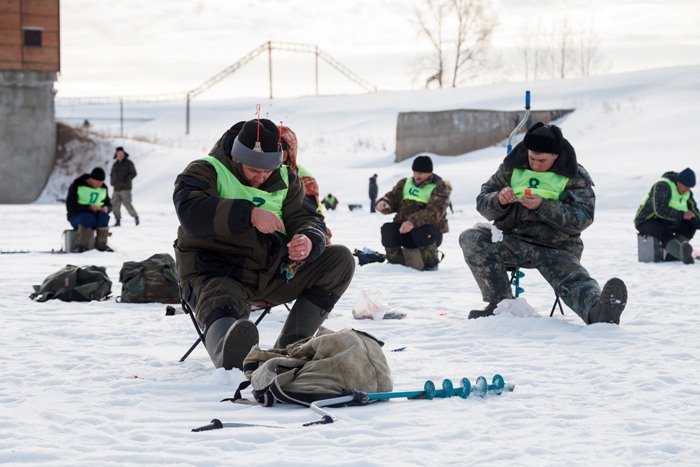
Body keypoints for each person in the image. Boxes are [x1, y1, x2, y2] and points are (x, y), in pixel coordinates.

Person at [173, 118, 355, 371]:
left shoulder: (288, 179)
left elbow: (309, 218)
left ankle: (291, 348)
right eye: (253, 170)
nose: (260, 177)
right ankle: (229, 351)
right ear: (237, 158)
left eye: (267, 171)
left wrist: (309, 239)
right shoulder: (205, 170)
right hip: (215, 269)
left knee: (340, 260)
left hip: (271, 272)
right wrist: (248, 214)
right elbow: (191, 211)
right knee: (223, 299)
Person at [459, 122, 627, 324]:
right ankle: (500, 305)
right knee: (471, 237)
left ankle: (599, 312)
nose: (535, 164)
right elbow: (482, 200)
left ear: (555, 156)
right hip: (512, 240)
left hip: (556, 246)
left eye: (542, 160)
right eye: (531, 158)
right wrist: (498, 200)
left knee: (573, 279)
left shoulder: (574, 175)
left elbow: (582, 217)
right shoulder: (511, 167)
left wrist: (543, 206)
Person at [375, 155, 451, 271]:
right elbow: (392, 198)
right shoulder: (405, 183)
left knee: (422, 231)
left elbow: (434, 212)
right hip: (405, 231)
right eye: (415, 172)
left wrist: (412, 222)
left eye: (421, 173)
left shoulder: (440, 187)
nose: (417, 176)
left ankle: (431, 266)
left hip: (429, 234)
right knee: (387, 229)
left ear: (430, 173)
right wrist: (384, 204)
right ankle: (395, 265)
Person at [635, 167, 699, 264]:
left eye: (689, 187)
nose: (687, 189)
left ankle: (673, 255)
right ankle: (681, 254)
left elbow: (694, 211)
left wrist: (696, 221)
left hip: (668, 220)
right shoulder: (662, 185)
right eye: (685, 186)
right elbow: (660, 210)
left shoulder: (687, 193)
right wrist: (682, 215)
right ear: (678, 182)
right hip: (646, 220)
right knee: (663, 231)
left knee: (691, 224)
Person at [65, 167, 113, 252]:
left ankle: (101, 245)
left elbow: (108, 204)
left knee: (104, 217)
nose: (100, 184)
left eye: (102, 182)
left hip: (96, 216)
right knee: (88, 218)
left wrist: (106, 208)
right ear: (91, 179)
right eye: (98, 182)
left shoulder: (103, 187)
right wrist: (88, 207)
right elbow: (70, 206)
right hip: (77, 216)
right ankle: (81, 245)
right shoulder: (78, 185)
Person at [110, 146, 139, 227]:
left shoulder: (129, 163)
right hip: (116, 188)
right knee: (115, 205)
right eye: (118, 154)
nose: (119, 155)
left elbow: (134, 173)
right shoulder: (115, 164)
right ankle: (117, 220)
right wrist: (112, 182)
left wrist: (126, 181)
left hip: (126, 188)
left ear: (124, 154)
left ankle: (135, 217)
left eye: (121, 153)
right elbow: (111, 175)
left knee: (127, 204)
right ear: (116, 154)